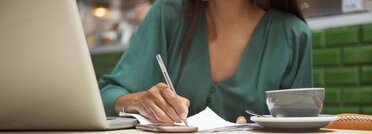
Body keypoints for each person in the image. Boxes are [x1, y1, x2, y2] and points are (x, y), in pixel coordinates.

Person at [99, 0, 313, 124]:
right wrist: (139, 103)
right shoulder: (168, 15)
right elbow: (106, 95)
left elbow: (301, 132)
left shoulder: (292, 35)